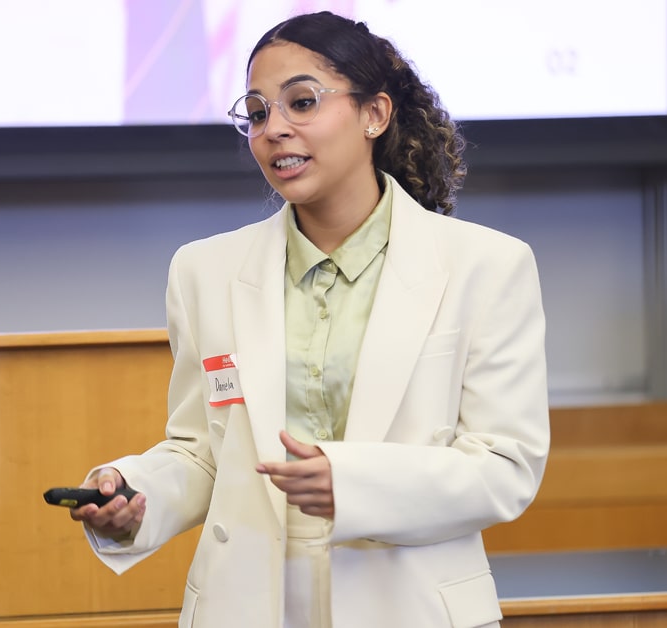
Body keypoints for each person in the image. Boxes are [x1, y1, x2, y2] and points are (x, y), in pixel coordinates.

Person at [70, 11, 549, 628]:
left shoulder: (487, 266)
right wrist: (135, 495)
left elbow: (503, 467)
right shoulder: (204, 270)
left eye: (301, 102)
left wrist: (346, 482)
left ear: (375, 114)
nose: (275, 130)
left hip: (412, 609)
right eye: (258, 112)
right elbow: (204, 453)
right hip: (242, 608)